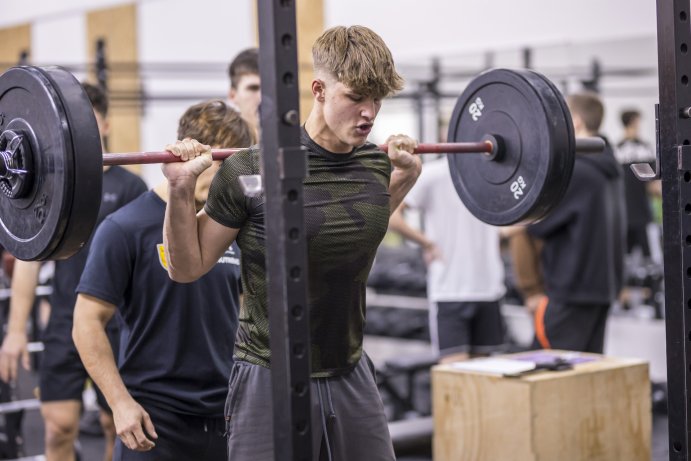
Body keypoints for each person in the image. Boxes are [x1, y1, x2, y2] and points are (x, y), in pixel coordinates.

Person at [162, 26, 421, 461]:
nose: (369, 112)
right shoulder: (249, 168)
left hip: (350, 367)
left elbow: (367, 221)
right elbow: (185, 268)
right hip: (268, 370)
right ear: (318, 89)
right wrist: (181, 190)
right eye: (356, 96)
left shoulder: (376, 167)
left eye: (377, 99)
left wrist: (407, 177)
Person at [73, 100, 254, 460]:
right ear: (194, 155)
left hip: (225, 415)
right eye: (223, 167)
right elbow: (86, 323)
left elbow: (243, 311)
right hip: (154, 421)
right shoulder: (123, 228)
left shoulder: (230, 228)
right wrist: (120, 403)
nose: (231, 180)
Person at [0, 83, 148, 461]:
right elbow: (30, 260)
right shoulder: (53, 186)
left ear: (107, 126)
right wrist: (16, 331)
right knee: (58, 426)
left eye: (88, 125)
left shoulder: (130, 186)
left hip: (116, 323)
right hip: (66, 319)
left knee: (114, 426)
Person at [516, 91, 625, 353]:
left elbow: (537, 224)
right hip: (602, 289)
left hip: (570, 291)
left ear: (574, 121)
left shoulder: (575, 169)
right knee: (583, 377)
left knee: (547, 375)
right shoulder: (610, 166)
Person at [389, 157, 506, 363]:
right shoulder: (434, 174)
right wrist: (427, 243)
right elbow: (392, 215)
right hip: (450, 291)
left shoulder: (493, 176)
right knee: (455, 380)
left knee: (486, 380)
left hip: (488, 288)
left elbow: (506, 227)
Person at [615, 109, 659, 258]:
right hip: (625, 212)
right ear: (633, 121)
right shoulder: (618, 150)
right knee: (625, 257)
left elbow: (654, 184)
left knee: (647, 257)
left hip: (641, 210)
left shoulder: (644, 148)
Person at [227, 47, 261, 135]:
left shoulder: (298, 142)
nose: (262, 97)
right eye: (253, 88)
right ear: (232, 95)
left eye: (269, 88)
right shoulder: (217, 144)